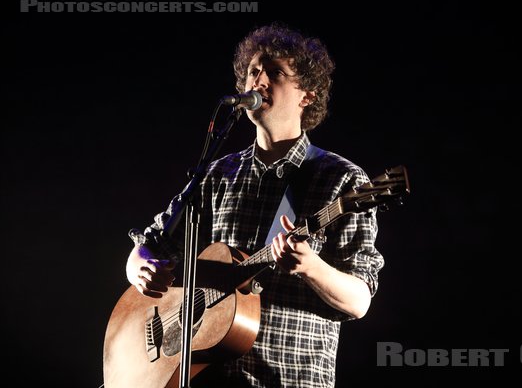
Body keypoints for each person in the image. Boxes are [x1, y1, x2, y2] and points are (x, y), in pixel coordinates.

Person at [125, 23, 385, 388]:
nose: (258, 80)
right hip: (207, 376)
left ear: (306, 95)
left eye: (275, 72)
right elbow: (149, 243)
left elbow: (359, 301)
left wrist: (311, 267)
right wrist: (140, 267)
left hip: (288, 378)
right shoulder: (218, 174)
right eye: (253, 71)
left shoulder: (341, 179)